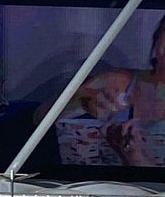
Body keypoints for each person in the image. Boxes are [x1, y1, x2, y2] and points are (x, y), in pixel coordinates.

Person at [48, 14, 165, 167]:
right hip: (79, 188)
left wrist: (133, 156)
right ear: (157, 41)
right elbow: (37, 122)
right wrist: (78, 99)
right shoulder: (117, 82)